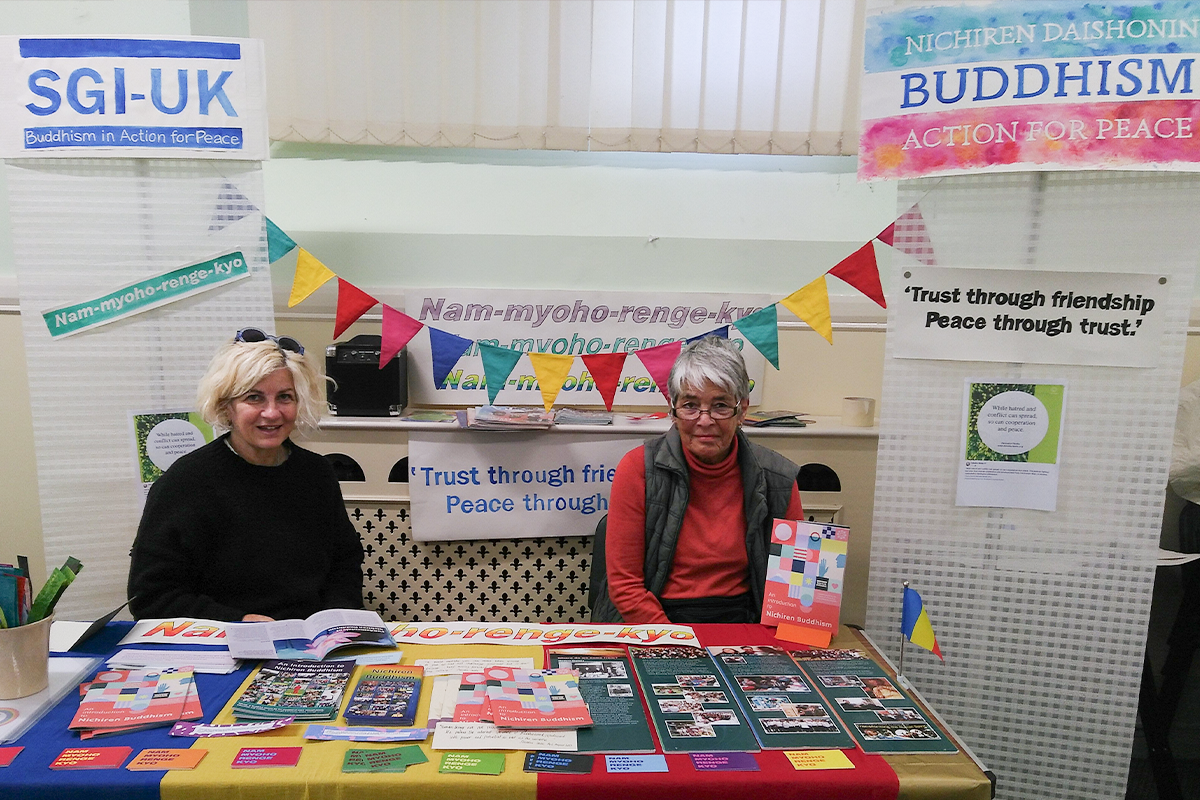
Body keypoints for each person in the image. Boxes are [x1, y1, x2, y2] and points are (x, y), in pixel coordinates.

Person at [128, 328, 364, 622]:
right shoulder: (186, 482)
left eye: (284, 397)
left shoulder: (316, 474)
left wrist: (334, 619)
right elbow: (151, 596)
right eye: (254, 398)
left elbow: (345, 563)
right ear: (227, 405)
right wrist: (238, 622)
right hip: (223, 645)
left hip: (311, 642)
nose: (272, 413)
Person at [590, 335, 804, 624]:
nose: (705, 420)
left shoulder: (779, 479)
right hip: (655, 620)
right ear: (673, 410)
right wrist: (677, 642)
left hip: (745, 622)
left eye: (720, 406)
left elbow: (795, 589)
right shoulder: (637, 470)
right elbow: (626, 588)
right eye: (690, 405)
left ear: (742, 409)